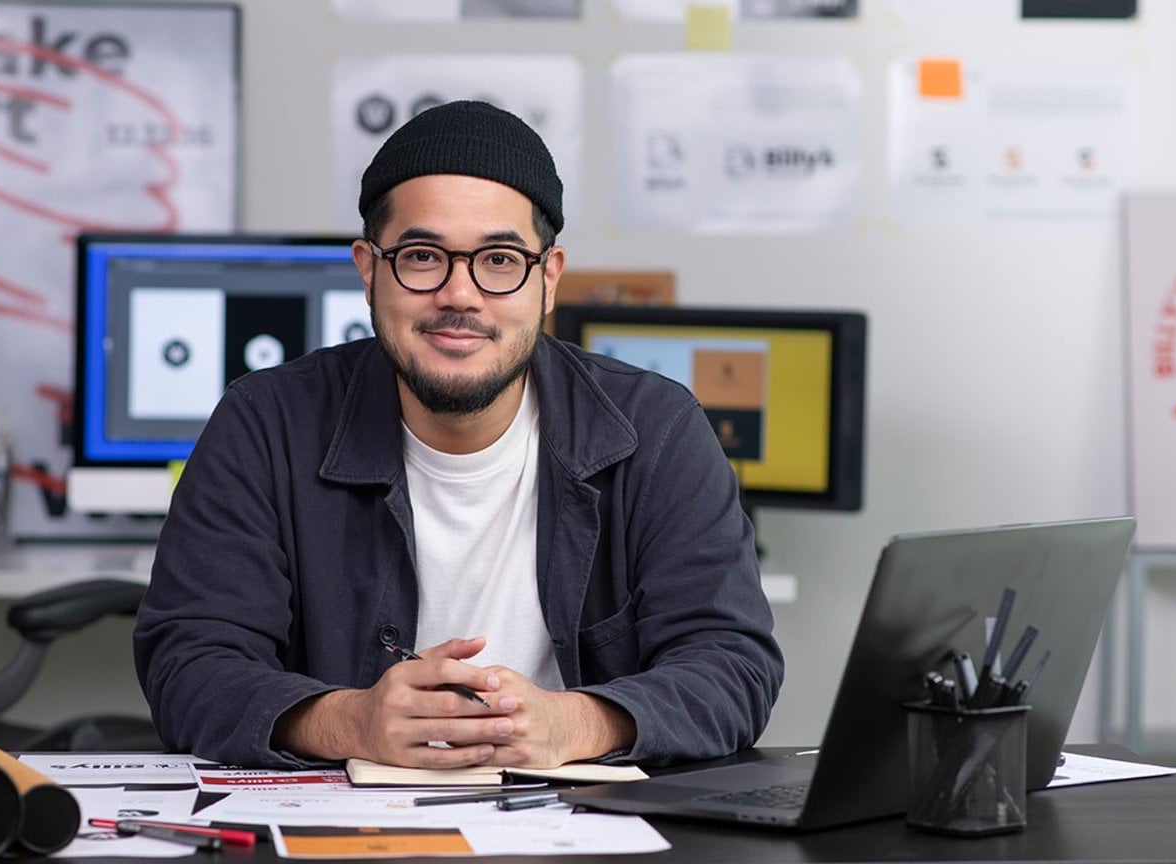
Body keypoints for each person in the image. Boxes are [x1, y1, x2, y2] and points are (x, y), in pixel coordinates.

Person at [134, 100, 783, 769]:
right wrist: (350, 722)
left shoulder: (657, 429)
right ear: (368, 269)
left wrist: (575, 723)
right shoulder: (264, 424)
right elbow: (189, 664)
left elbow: (732, 664)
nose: (460, 294)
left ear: (549, 277)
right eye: (422, 256)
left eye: (500, 260)